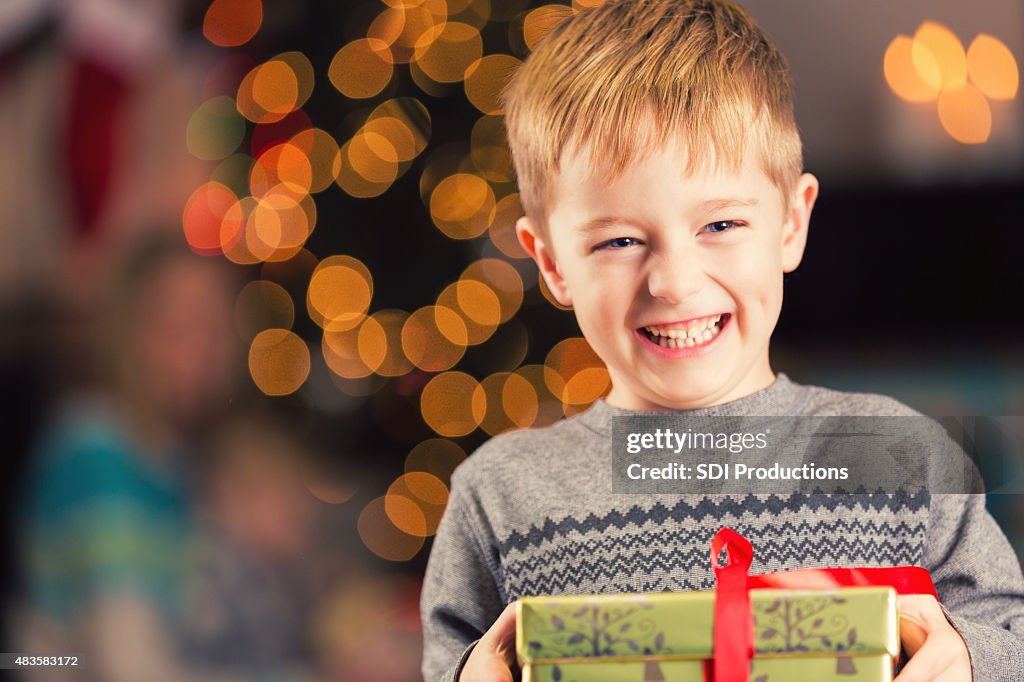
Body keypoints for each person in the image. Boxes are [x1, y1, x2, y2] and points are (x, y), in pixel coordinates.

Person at [419, 1, 1024, 681]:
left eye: (721, 225)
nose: (674, 282)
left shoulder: (902, 457)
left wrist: (972, 659)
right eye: (619, 240)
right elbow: (448, 662)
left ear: (791, 224)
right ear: (552, 262)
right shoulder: (498, 495)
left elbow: (1011, 634)